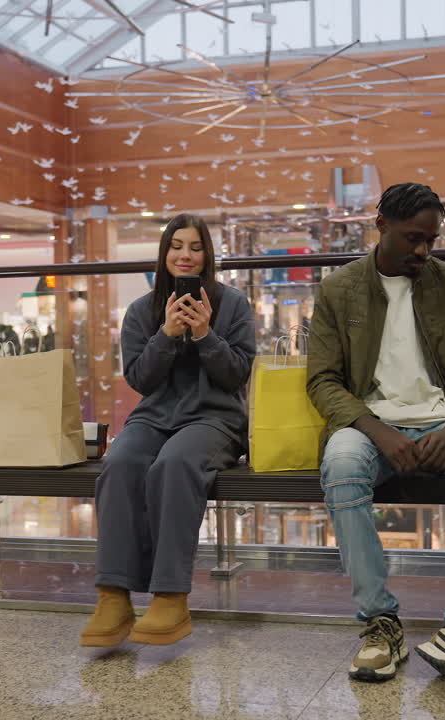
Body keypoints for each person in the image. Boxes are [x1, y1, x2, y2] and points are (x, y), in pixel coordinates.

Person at [307, 183, 445, 695]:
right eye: (413, 239)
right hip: (366, 424)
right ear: (380, 225)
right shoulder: (340, 290)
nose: (424, 251)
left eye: (431, 240)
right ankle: (381, 623)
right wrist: (376, 429)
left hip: (444, 422)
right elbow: (322, 379)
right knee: (340, 466)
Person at [80, 214, 255, 648]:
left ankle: (171, 597)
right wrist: (166, 334)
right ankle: (113, 595)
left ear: (207, 255)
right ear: (164, 254)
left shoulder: (233, 305)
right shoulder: (142, 311)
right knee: (119, 464)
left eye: (195, 247)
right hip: (155, 417)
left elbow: (236, 375)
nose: (185, 255)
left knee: (175, 464)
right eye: (176, 246)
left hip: (216, 419)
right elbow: (140, 379)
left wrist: (203, 333)